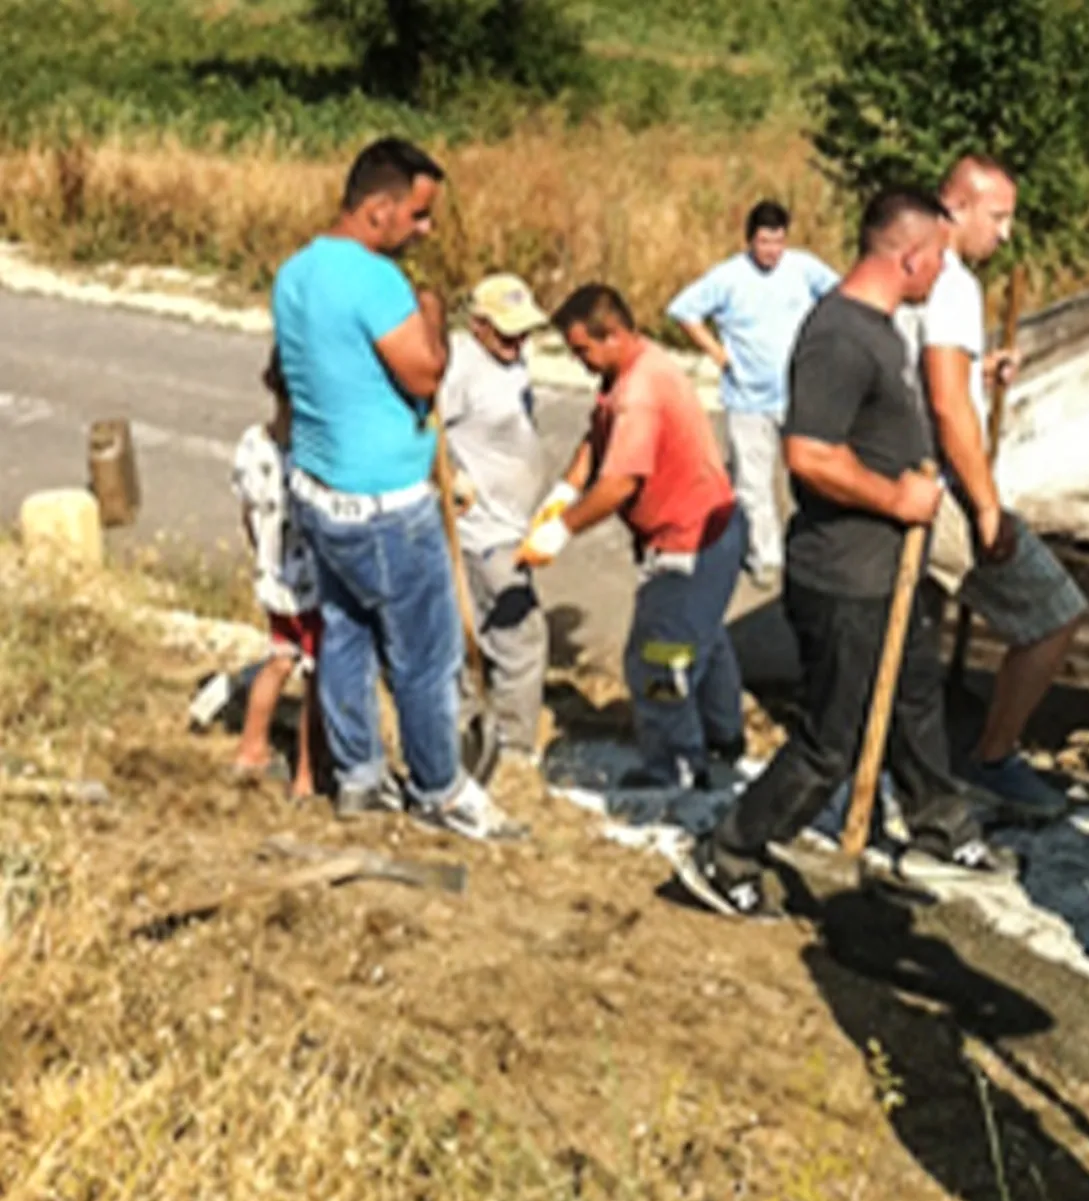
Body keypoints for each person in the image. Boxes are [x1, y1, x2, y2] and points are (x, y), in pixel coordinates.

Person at [675, 188, 1002, 919]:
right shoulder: (838, 337)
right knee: (833, 740)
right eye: (938, 257)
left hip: (887, 571)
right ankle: (729, 851)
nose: (943, 269)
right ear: (909, 256)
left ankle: (940, 826)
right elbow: (810, 455)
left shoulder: (880, 328)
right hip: (844, 574)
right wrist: (896, 499)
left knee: (916, 694)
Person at [272, 136, 521, 840]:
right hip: (386, 507)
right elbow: (424, 373)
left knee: (346, 635)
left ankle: (359, 775)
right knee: (425, 656)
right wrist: (430, 312)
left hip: (319, 490)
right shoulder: (377, 282)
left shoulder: (295, 272)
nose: (426, 229)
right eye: (417, 214)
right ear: (377, 209)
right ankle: (441, 788)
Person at [901, 155, 1088, 823]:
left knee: (914, 632)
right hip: (948, 484)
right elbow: (947, 406)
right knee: (1054, 612)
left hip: (913, 474)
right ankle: (993, 758)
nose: (1005, 234)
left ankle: (920, 758)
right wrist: (986, 506)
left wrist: (979, 370)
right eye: (998, 217)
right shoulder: (952, 285)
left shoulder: (911, 271)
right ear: (956, 206)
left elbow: (932, 377)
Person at [517, 284, 747, 793]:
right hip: (708, 531)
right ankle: (723, 737)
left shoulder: (640, 393)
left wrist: (561, 529)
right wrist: (564, 490)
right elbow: (596, 439)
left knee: (657, 657)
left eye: (583, 350)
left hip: (688, 541)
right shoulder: (628, 372)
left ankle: (675, 767)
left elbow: (621, 482)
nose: (579, 362)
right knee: (703, 639)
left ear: (614, 335)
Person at [666, 200, 841, 587]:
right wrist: (717, 353)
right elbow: (683, 310)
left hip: (799, 393)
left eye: (778, 242)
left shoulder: (803, 268)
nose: (772, 251)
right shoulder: (729, 277)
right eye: (764, 242)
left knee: (813, 473)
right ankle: (766, 554)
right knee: (752, 482)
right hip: (748, 397)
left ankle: (817, 548)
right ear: (750, 241)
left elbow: (841, 297)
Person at [439, 272, 552, 772]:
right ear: (478, 325)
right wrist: (451, 476)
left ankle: (479, 732)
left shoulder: (514, 362)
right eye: (508, 332)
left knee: (496, 637)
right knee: (521, 638)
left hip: (513, 524)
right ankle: (510, 750)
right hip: (482, 532)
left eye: (524, 330)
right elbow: (427, 428)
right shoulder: (460, 367)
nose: (518, 340)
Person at [229, 352, 323, 798]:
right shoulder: (313, 451)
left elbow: (247, 512)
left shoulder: (252, 444)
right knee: (315, 677)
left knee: (279, 660)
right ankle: (306, 773)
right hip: (313, 582)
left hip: (273, 577)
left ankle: (251, 748)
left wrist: (262, 557)